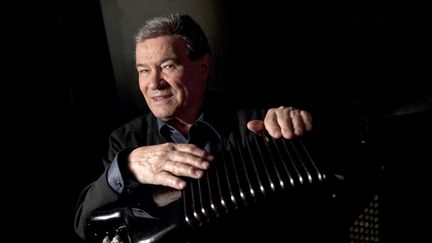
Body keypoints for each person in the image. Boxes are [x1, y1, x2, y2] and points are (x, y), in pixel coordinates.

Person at [74, 13, 315, 242]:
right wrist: (126, 167)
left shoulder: (253, 124)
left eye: (167, 66)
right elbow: (86, 225)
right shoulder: (126, 141)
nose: (154, 83)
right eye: (144, 71)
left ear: (203, 68)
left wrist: (302, 129)